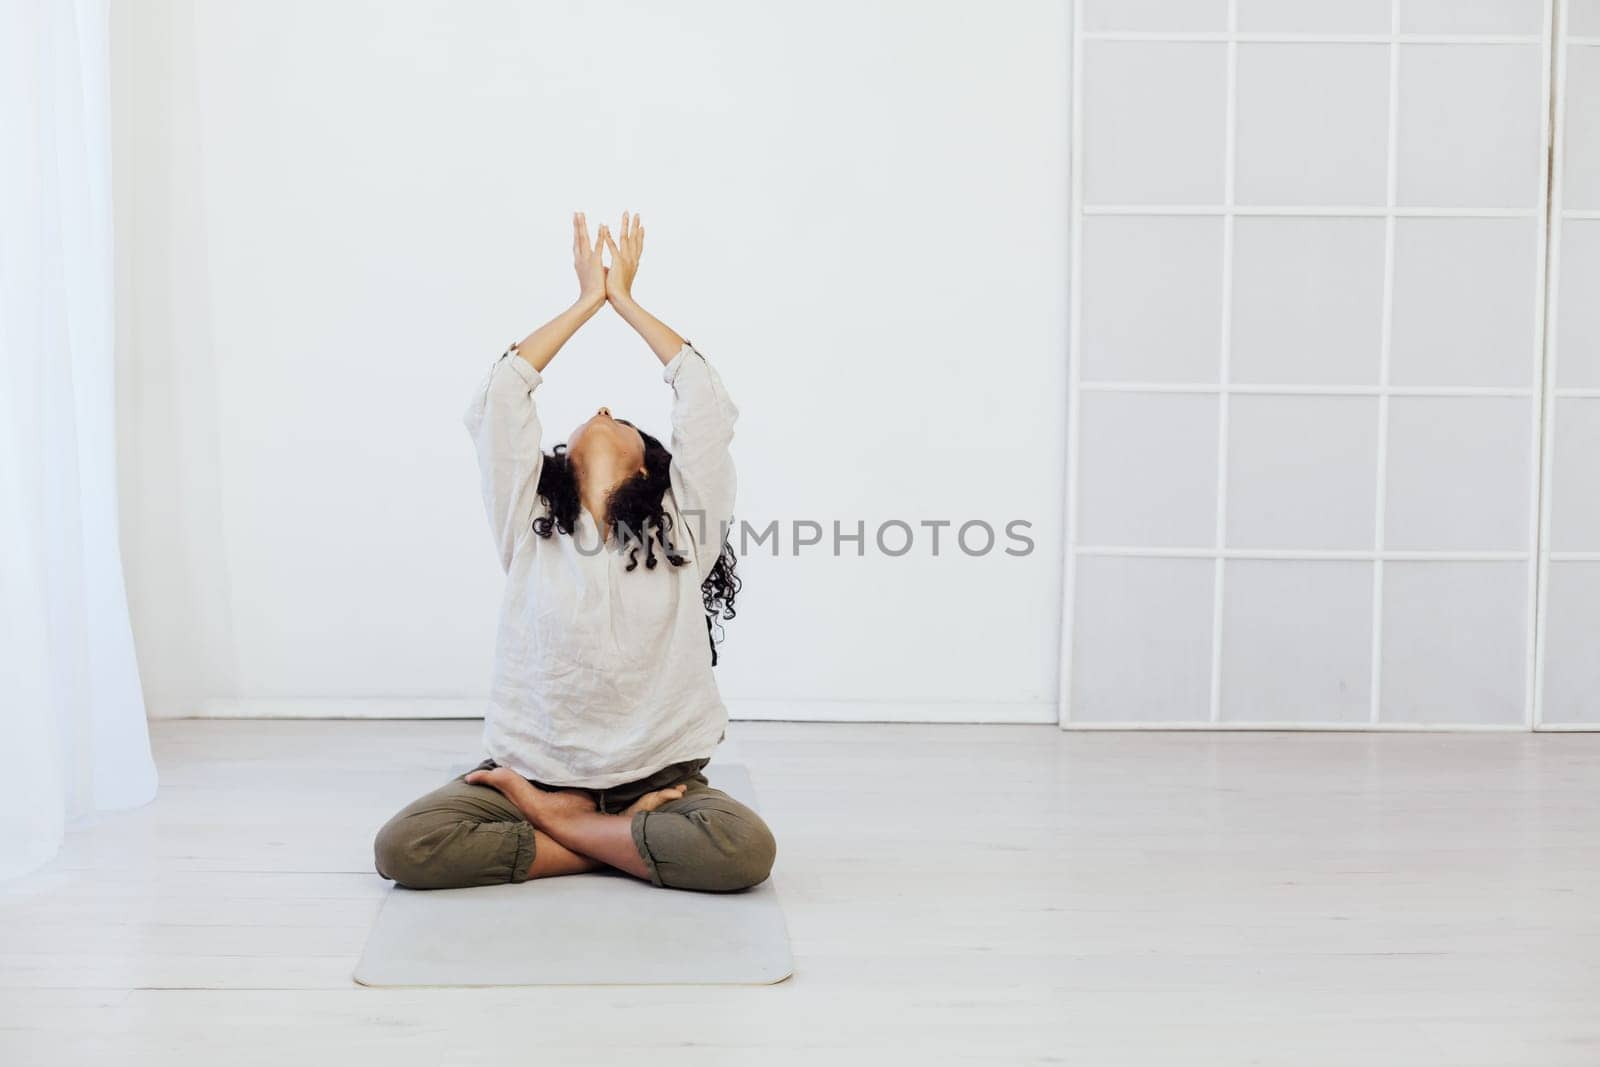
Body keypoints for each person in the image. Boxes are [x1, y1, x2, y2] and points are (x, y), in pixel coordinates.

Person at [372, 212, 775, 893]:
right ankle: (617, 841)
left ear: (651, 469)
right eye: (594, 415)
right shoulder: (530, 523)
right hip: (530, 774)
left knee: (742, 850)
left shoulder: (683, 531)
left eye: (620, 419)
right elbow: (505, 391)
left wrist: (627, 302)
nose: (603, 407)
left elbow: (704, 399)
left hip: (661, 780)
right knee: (407, 846)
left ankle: (555, 826)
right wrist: (587, 301)